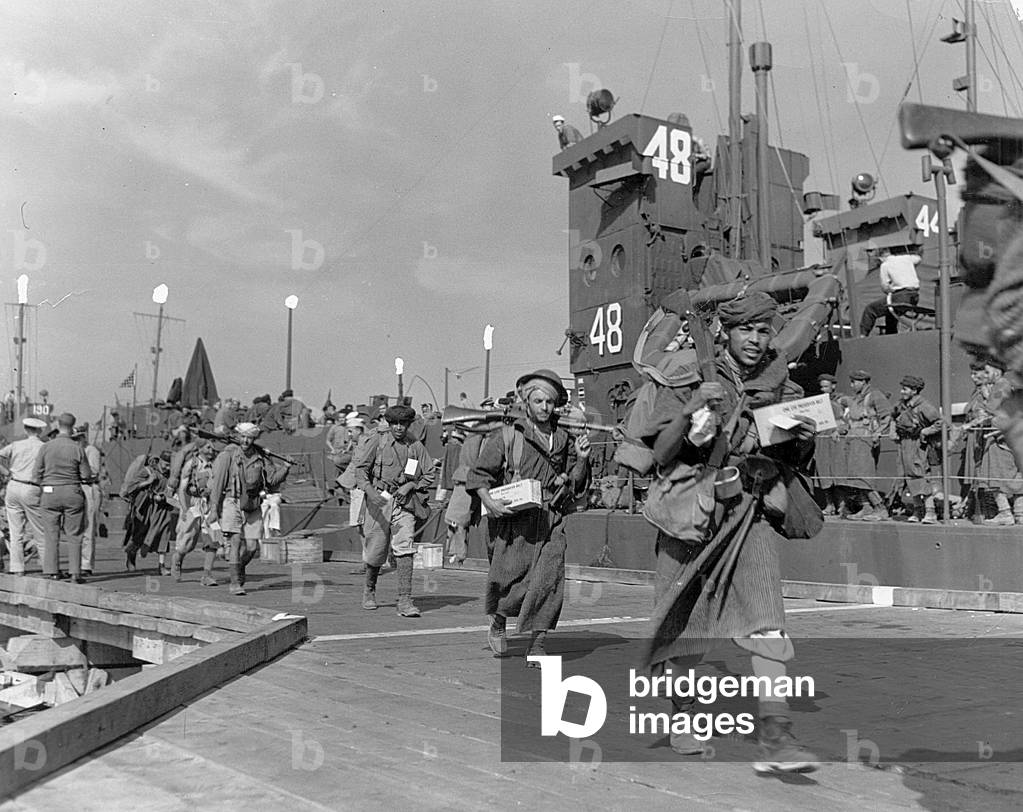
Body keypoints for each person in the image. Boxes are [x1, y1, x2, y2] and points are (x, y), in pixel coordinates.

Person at [637, 291, 821, 773]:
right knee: (686, 627)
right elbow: (661, 454)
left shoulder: (780, 384)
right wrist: (692, 406)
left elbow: (788, 461)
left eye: (764, 331)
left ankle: (777, 737)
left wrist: (802, 440)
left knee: (768, 622)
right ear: (725, 331)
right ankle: (685, 718)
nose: (757, 341)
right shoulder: (689, 375)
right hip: (692, 515)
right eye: (747, 330)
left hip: (750, 512)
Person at [468, 369, 591, 664]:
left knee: (549, 580)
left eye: (549, 402)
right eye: (538, 401)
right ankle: (499, 621)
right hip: (513, 519)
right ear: (526, 402)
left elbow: (575, 482)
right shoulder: (508, 436)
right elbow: (480, 475)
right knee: (510, 580)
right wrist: (490, 502)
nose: (544, 408)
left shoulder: (563, 437)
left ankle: (537, 642)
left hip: (551, 518)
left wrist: (583, 459)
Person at [352, 404, 435, 616]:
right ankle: (369, 589)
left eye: (403, 423)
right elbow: (361, 471)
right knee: (376, 550)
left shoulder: (414, 446)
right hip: (378, 499)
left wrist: (411, 485)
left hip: (404, 502)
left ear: (409, 424)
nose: (399, 427)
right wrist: (371, 493)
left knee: (404, 547)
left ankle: (405, 599)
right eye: (395, 423)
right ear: (389, 424)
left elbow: (429, 473)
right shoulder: (377, 441)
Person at [207, 422, 290, 595]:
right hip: (232, 501)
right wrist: (214, 508)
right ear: (238, 436)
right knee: (236, 542)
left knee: (252, 547)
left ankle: (238, 569)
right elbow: (217, 484)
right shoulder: (227, 456)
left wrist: (286, 468)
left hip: (253, 504)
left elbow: (272, 480)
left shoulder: (260, 457)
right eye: (243, 437)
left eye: (250, 438)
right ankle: (235, 583)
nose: (246, 441)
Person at [32, 412, 93, 582]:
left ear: (58, 424)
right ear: (73, 426)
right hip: (72, 492)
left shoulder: (46, 447)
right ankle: (75, 573)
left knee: (51, 534)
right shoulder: (77, 448)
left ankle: (52, 571)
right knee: (75, 534)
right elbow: (86, 475)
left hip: (50, 493)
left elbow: (36, 474)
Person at [964, 359, 1023, 525]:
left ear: (997, 371)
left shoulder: (1000, 385)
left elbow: (991, 408)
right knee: (1015, 476)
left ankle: (1005, 513)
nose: (984, 375)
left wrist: (984, 398)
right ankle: (1020, 513)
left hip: (998, 438)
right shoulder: (1011, 384)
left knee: (993, 474)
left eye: (987, 372)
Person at [842, 370, 893, 521]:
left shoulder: (874, 395)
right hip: (853, 440)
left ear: (864, 382)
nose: (852, 385)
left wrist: (878, 432)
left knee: (864, 476)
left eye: (855, 382)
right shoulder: (856, 399)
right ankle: (866, 507)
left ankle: (880, 508)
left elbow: (887, 416)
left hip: (866, 440)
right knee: (855, 476)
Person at [0, 416, 48, 575]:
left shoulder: (15, 445)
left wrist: (6, 472)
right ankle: (47, 568)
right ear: (40, 430)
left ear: (26, 429)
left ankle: (17, 568)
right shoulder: (44, 447)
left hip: (13, 486)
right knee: (40, 531)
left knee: (15, 532)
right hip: (32, 487)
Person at [892, 375, 941, 523]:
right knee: (910, 476)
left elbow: (940, 423)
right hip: (905, 444)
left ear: (914, 390)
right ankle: (918, 510)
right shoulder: (903, 405)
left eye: (905, 389)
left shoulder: (924, 406)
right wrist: (892, 431)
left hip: (919, 445)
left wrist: (926, 431)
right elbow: (893, 417)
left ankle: (930, 512)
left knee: (921, 476)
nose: (902, 391)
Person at [171, 440, 220, 585]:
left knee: (213, 540)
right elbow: (182, 488)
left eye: (212, 447)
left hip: (209, 504)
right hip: (192, 503)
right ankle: (177, 560)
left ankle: (207, 575)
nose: (212, 449)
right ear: (200, 449)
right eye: (208, 447)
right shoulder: (191, 464)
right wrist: (184, 509)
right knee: (187, 542)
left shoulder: (216, 465)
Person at [859, 247, 923, 336]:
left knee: (870, 309)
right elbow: (918, 259)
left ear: (881, 258)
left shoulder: (885, 265)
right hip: (915, 296)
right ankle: (891, 334)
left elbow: (884, 286)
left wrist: (890, 289)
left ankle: (862, 336)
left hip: (901, 296)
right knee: (890, 313)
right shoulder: (906, 258)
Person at [812, 374, 847, 517]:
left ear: (833, 386)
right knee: (823, 472)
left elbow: (845, 420)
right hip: (821, 440)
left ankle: (843, 505)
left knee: (838, 472)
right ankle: (829, 504)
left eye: (826, 386)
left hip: (835, 440)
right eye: (821, 387)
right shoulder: (818, 402)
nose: (823, 389)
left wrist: (838, 430)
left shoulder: (841, 401)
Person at [73, 426, 103, 576]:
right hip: (76, 487)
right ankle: (76, 564)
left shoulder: (92, 451)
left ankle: (86, 565)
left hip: (89, 488)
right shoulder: (74, 451)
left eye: (78, 438)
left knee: (89, 526)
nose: (76, 441)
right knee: (76, 528)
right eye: (74, 439)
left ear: (83, 437)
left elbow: (92, 472)